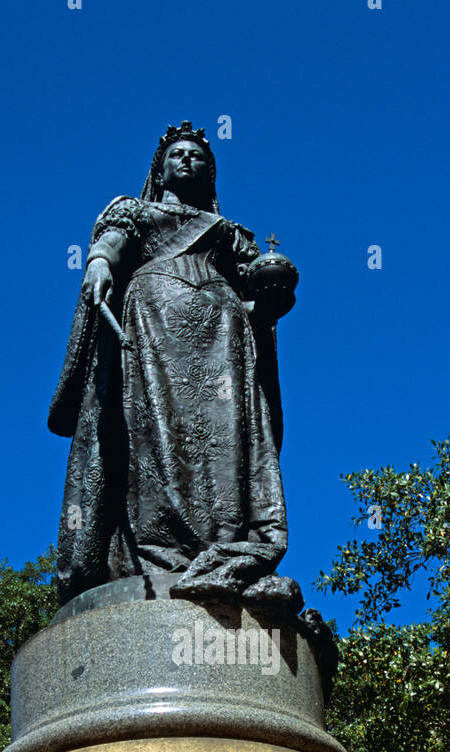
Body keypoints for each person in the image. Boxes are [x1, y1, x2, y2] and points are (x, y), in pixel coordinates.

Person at [48, 122, 299, 608]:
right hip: (153, 326)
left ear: (211, 174)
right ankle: (158, 556)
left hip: (224, 339)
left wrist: (269, 303)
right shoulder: (138, 212)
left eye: (198, 156)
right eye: (176, 154)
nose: (187, 160)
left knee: (228, 444)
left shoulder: (229, 234)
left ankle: (221, 550)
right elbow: (113, 244)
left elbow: (255, 286)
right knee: (154, 437)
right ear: (159, 168)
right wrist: (99, 261)